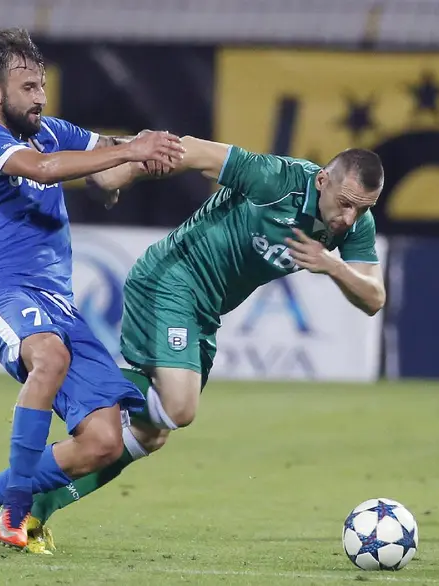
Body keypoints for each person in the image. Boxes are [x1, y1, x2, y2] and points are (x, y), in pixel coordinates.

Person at [22, 137, 387, 554]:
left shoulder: (354, 225)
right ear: (322, 181)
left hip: (206, 312)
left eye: (362, 208)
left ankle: (35, 506)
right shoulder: (277, 179)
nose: (349, 216)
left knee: (152, 434)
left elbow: (374, 298)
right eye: (345, 203)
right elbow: (191, 151)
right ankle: (74, 377)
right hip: (171, 279)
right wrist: (122, 169)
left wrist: (334, 266)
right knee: (179, 407)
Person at [0, 28, 185, 554]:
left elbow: (107, 166)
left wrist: (148, 157)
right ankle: (15, 513)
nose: (40, 97)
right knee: (49, 357)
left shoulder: (52, 131)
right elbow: (46, 170)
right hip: (4, 292)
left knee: (103, 441)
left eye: (42, 86)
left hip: (61, 305)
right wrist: (130, 148)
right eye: (28, 88)